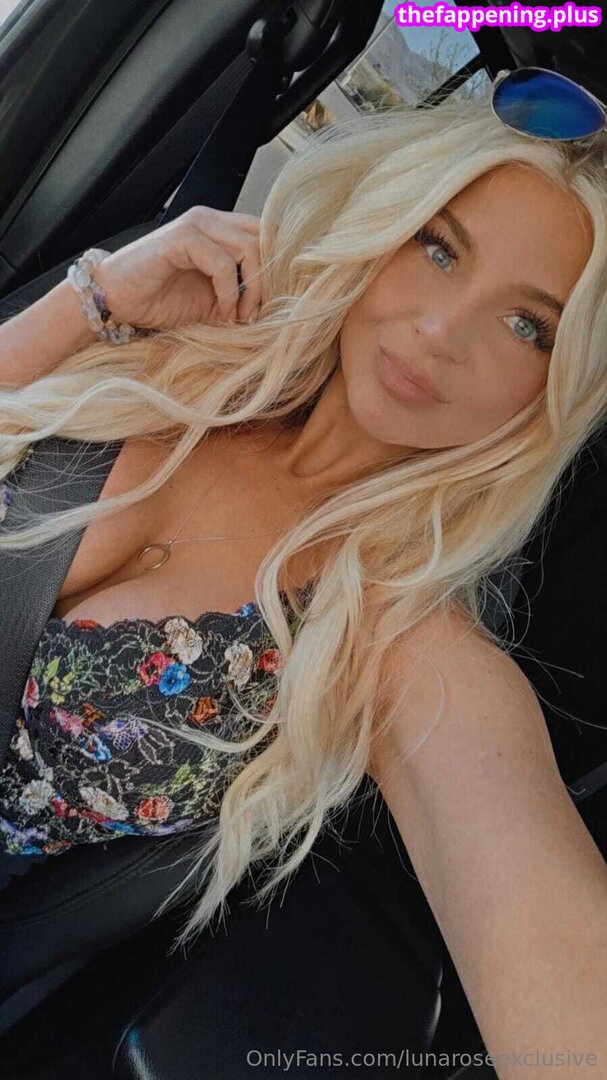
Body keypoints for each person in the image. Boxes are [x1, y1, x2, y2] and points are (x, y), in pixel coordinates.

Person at [0, 87, 606, 1074]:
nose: (441, 329)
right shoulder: (180, 339)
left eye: (525, 326)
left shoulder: (396, 643)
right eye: (438, 248)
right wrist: (94, 298)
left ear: (554, 393)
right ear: (381, 229)